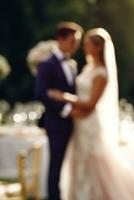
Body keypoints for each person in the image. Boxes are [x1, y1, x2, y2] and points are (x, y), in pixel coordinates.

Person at [47, 28, 134, 200]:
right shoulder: (88, 67)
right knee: (78, 162)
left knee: (94, 164)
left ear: (98, 47)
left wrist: (63, 97)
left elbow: (91, 103)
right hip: (79, 122)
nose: (83, 47)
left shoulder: (101, 73)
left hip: (89, 123)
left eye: (87, 44)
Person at [35, 21, 83, 200]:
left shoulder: (72, 64)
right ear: (60, 39)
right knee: (55, 165)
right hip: (56, 124)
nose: (75, 45)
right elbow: (41, 93)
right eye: (73, 41)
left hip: (75, 123)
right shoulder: (46, 65)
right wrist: (65, 110)